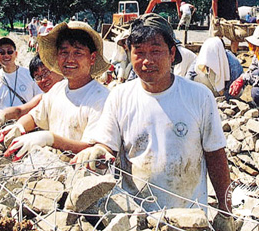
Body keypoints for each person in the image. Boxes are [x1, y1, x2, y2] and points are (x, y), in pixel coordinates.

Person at [71, 14, 233, 228]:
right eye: (139, 52)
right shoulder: (120, 97)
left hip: (188, 219)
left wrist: (226, 212)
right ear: (129, 54)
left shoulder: (199, 96)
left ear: (172, 53)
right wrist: (98, 152)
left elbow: (216, 156)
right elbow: (107, 146)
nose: (147, 61)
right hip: (136, 219)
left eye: (156, 51)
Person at [0, 21, 111, 161]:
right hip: (55, 170)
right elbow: (35, 117)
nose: (70, 59)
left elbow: (93, 149)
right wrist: (19, 126)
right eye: (64, 52)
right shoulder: (58, 89)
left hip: (83, 177)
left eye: (78, 52)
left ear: (92, 58)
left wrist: (51, 139)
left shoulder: (102, 99)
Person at [0, 54, 64, 131]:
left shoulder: (75, 92)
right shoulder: (44, 99)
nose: (43, 79)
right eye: (38, 77)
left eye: (46, 72)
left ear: (58, 68)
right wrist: (2, 116)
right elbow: (20, 111)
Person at [0, 37, 42, 112]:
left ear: (16, 54)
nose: (6, 55)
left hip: (25, 120)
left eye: (10, 52)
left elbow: (39, 98)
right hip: (3, 122)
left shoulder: (29, 74)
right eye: (2, 52)